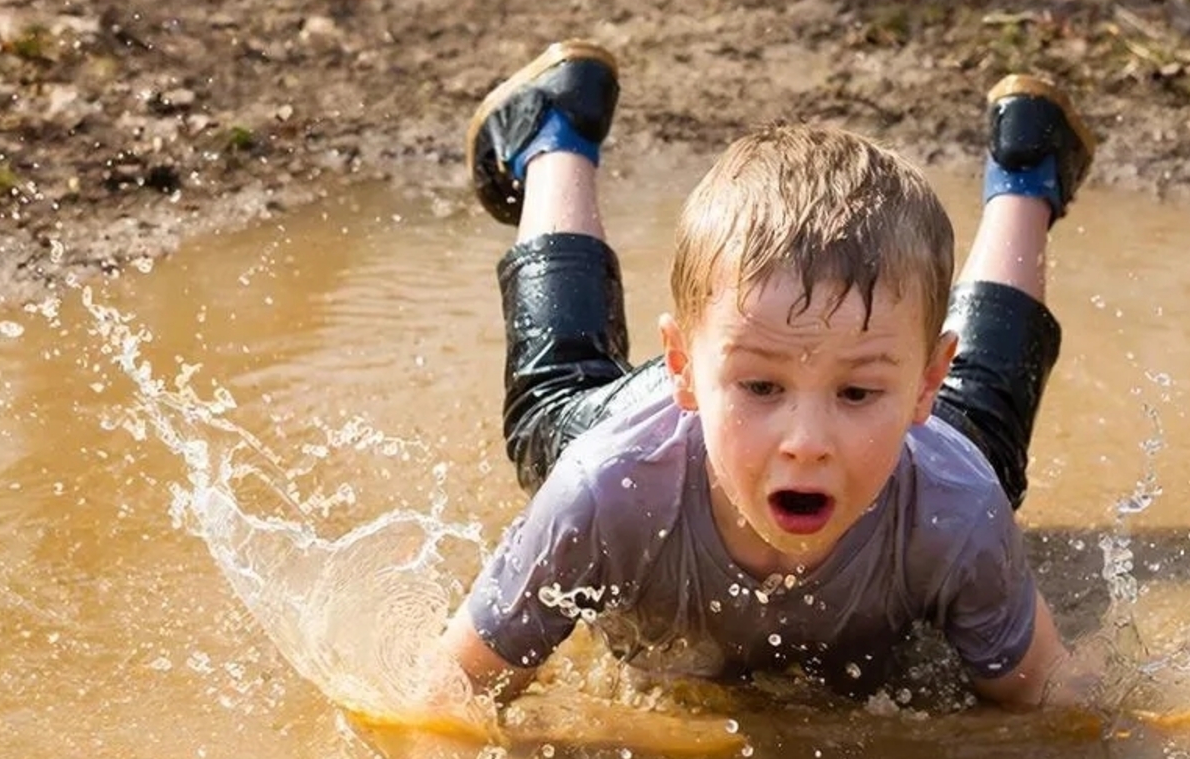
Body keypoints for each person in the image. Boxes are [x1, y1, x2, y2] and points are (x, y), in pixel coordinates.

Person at [438, 39, 1103, 718]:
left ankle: (1028, 170)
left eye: (856, 393)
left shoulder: (954, 508)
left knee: (983, 431)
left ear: (926, 383)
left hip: (897, 420)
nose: (806, 442)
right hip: (644, 420)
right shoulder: (606, 492)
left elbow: (1055, 705)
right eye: (761, 389)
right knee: (552, 399)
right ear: (684, 367)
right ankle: (555, 131)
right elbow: (447, 695)